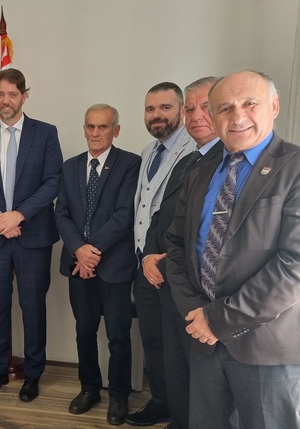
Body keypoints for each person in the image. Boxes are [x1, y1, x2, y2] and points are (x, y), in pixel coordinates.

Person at [167, 70, 300, 428]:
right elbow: (176, 246)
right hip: (204, 342)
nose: (238, 116)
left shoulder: (295, 167)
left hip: (265, 347)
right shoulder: (200, 173)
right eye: (225, 108)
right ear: (213, 117)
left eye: (250, 104)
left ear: (274, 107)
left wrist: (218, 319)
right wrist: (196, 314)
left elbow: (294, 265)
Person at [0, 69, 63, 402]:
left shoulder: (45, 133)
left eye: (12, 94)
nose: (5, 100)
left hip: (32, 236)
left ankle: (33, 375)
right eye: (0, 94)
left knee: (33, 307)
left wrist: (18, 215)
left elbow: (53, 181)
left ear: (24, 96)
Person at [140, 77, 222, 429]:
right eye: (190, 109)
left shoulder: (227, 160)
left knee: (197, 374)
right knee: (174, 368)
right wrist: (147, 254)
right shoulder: (190, 160)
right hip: (166, 280)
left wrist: (166, 262)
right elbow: (161, 214)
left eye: (206, 107)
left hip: (194, 290)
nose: (196, 115)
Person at [55, 104, 140, 425]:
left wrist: (92, 252)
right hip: (79, 265)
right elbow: (61, 213)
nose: (95, 133)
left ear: (116, 130)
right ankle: (89, 388)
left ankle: (119, 395)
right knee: (84, 331)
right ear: (84, 129)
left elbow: (124, 215)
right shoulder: (70, 167)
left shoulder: (130, 164)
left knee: (118, 335)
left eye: (102, 127)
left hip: (114, 266)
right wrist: (79, 250)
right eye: (90, 126)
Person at [127, 82, 194, 426]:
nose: (156, 115)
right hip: (144, 264)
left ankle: (182, 412)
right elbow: (144, 207)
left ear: (181, 110)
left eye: (165, 108)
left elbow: (177, 215)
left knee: (176, 347)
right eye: (150, 109)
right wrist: (143, 257)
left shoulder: (193, 151)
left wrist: (159, 257)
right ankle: (160, 402)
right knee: (152, 339)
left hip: (171, 266)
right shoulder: (148, 152)